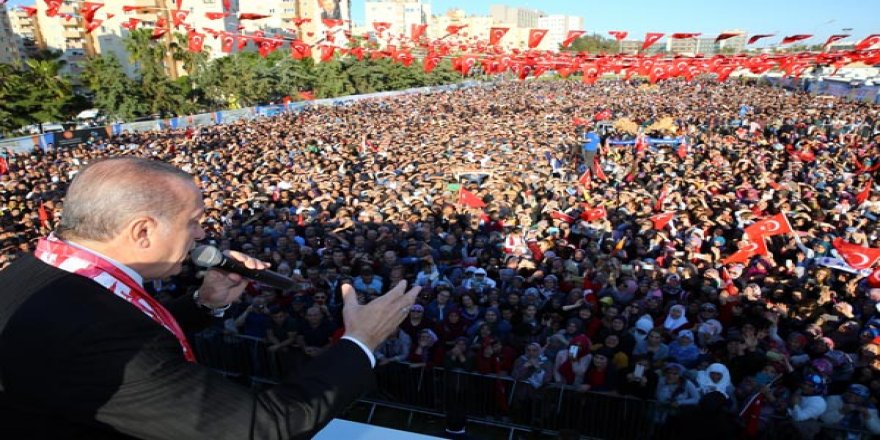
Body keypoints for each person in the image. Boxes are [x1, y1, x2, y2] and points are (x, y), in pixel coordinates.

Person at [0, 157, 421, 439]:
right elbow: (264, 426)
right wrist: (361, 341)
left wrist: (204, 303)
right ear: (142, 231)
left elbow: (122, 329)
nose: (202, 235)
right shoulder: (100, 336)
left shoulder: (35, 270)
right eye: (194, 223)